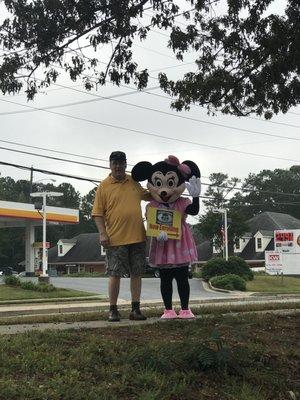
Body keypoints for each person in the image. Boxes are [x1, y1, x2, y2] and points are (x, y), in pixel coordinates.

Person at [92, 151, 151, 322]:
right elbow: (97, 214)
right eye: (114, 163)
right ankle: (113, 310)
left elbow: (149, 196)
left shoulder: (133, 182)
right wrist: (102, 233)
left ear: (126, 164)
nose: (118, 166)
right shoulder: (103, 186)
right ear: (110, 165)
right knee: (114, 274)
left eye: (121, 163)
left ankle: (136, 309)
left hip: (138, 237)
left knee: (137, 273)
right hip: (115, 239)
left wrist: (159, 188)